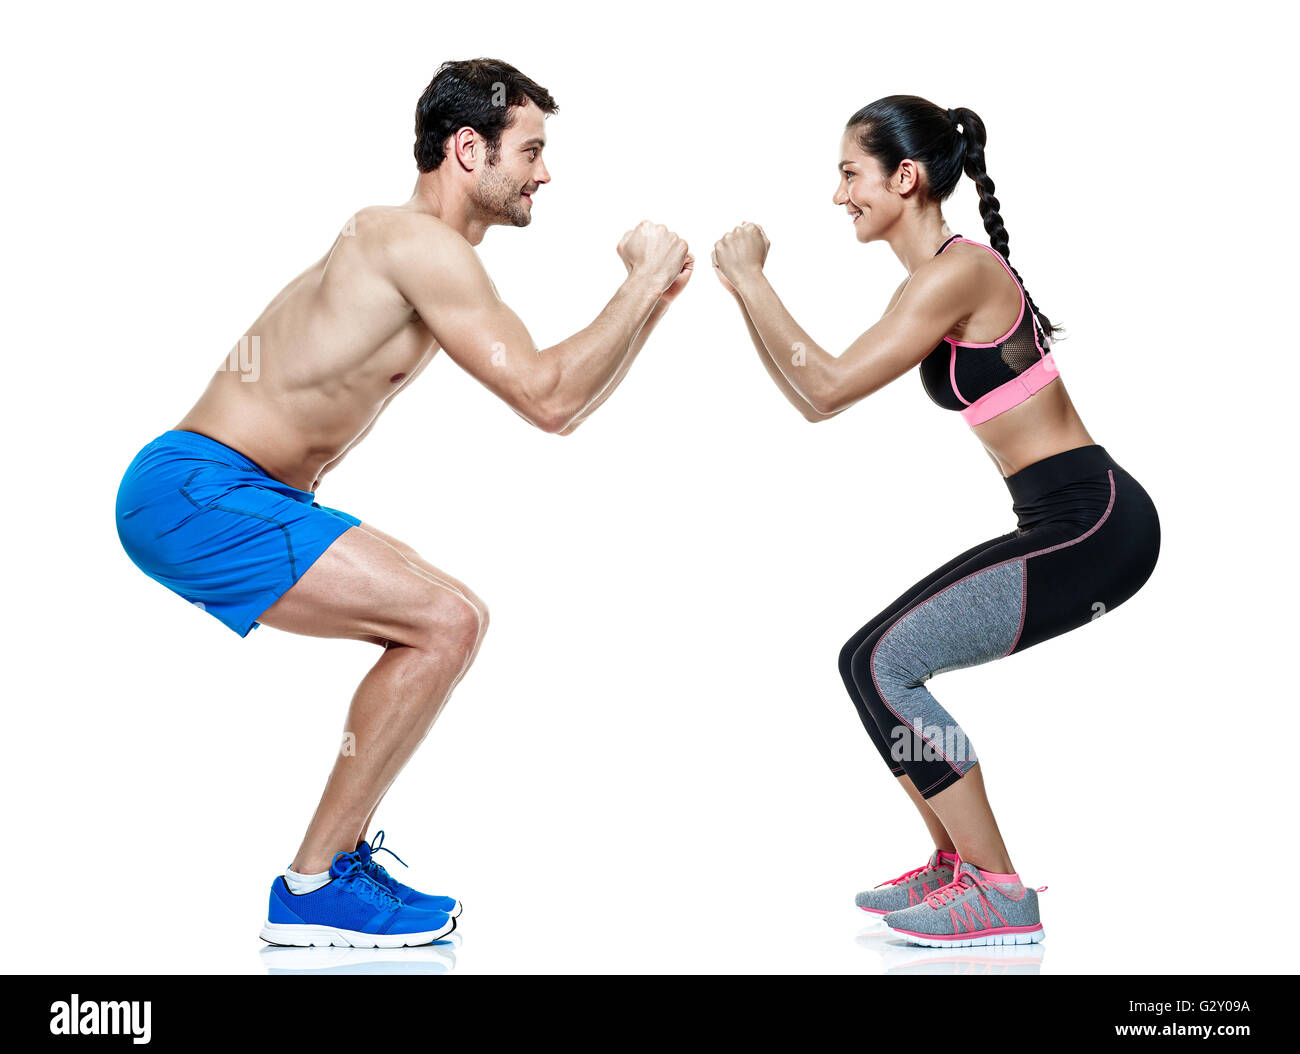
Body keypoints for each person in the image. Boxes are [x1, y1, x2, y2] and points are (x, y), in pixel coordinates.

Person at [115, 57, 692, 948]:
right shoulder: (417, 243)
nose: (545, 172)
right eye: (531, 150)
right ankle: (312, 886)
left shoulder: (420, 252)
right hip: (196, 489)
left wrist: (649, 300)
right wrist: (641, 281)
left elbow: (562, 408)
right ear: (470, 148)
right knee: (447, 621)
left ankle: (320, 878)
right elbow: (548, 395)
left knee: (450, 617)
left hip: (223, 490)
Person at [711, 95, 1159, 947]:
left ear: (905, 178)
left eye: (850, 173)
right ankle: (959, 863)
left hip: (1095, 522)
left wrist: (751, 278)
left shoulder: (959, 272)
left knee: (887, 663)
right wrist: (746, 291)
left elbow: (829, 385)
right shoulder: (936, 278)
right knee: (865, 662)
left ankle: (999, 892)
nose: (839, 194)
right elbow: (818, 398)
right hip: (1069, 519)